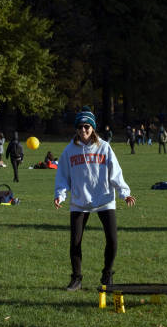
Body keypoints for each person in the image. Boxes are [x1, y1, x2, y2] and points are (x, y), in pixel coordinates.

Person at [54, 107, 136, 291]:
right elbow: (62, 176)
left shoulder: (104, 147)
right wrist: (60, 195)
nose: (83, 130)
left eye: (87, 127)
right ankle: (76, 278)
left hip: (104, 198)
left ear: (93, 128)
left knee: (112, 240)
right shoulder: (69, 151)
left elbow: (116, 172)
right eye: (80, 127)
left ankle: (107, 274)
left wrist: (124, 193)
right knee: (75, 241)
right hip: (79, 201)